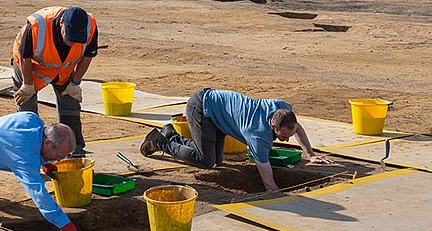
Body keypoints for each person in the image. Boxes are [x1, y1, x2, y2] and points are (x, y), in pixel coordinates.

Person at [140, 89, 332, 191]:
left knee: (216, 160)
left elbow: (296, 127)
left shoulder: (282, 108)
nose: (286, 140)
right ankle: (160, 141)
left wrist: (310, 154)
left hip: (218, 113)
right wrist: (275, 192)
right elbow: (266, 176)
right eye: (282, 136)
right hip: (202, 107)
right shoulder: (258, 135)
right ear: (273, 126)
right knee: (206, 161)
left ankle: (170, 134)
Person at [12, 6, 98, 155]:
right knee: (28, 112)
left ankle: (73, 148)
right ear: (62, 23)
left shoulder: (90, 24)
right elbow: (25, 57)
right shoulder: (37, 25)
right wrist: (27, 85)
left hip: (64, 68)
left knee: (70, 103)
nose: (72, 42)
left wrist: (75, 83)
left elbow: (88, 55)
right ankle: (30, 150)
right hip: (31, 68)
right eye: (70, 37)